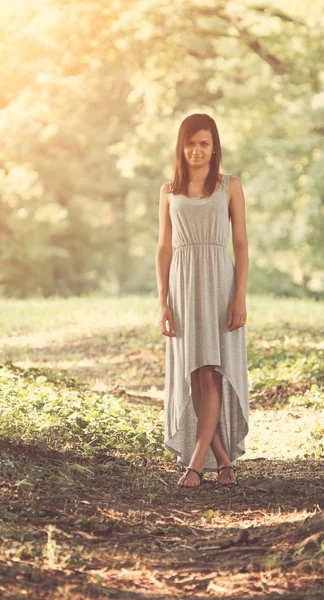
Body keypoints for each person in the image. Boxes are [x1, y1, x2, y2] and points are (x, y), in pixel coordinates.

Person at [155, 113, 249, 488]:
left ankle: (195, 463)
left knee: (210, 370)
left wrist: (239, 295)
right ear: (181, 146)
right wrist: (162, 301)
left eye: (204, 143)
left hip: (219, 282)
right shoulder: (168, 190)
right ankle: (224, 462)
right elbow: (163, 247)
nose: (197, 150)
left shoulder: (230, 185)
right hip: (182, 284)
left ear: (215, 147)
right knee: (195, 372)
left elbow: (240, 244)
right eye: (190, 143)